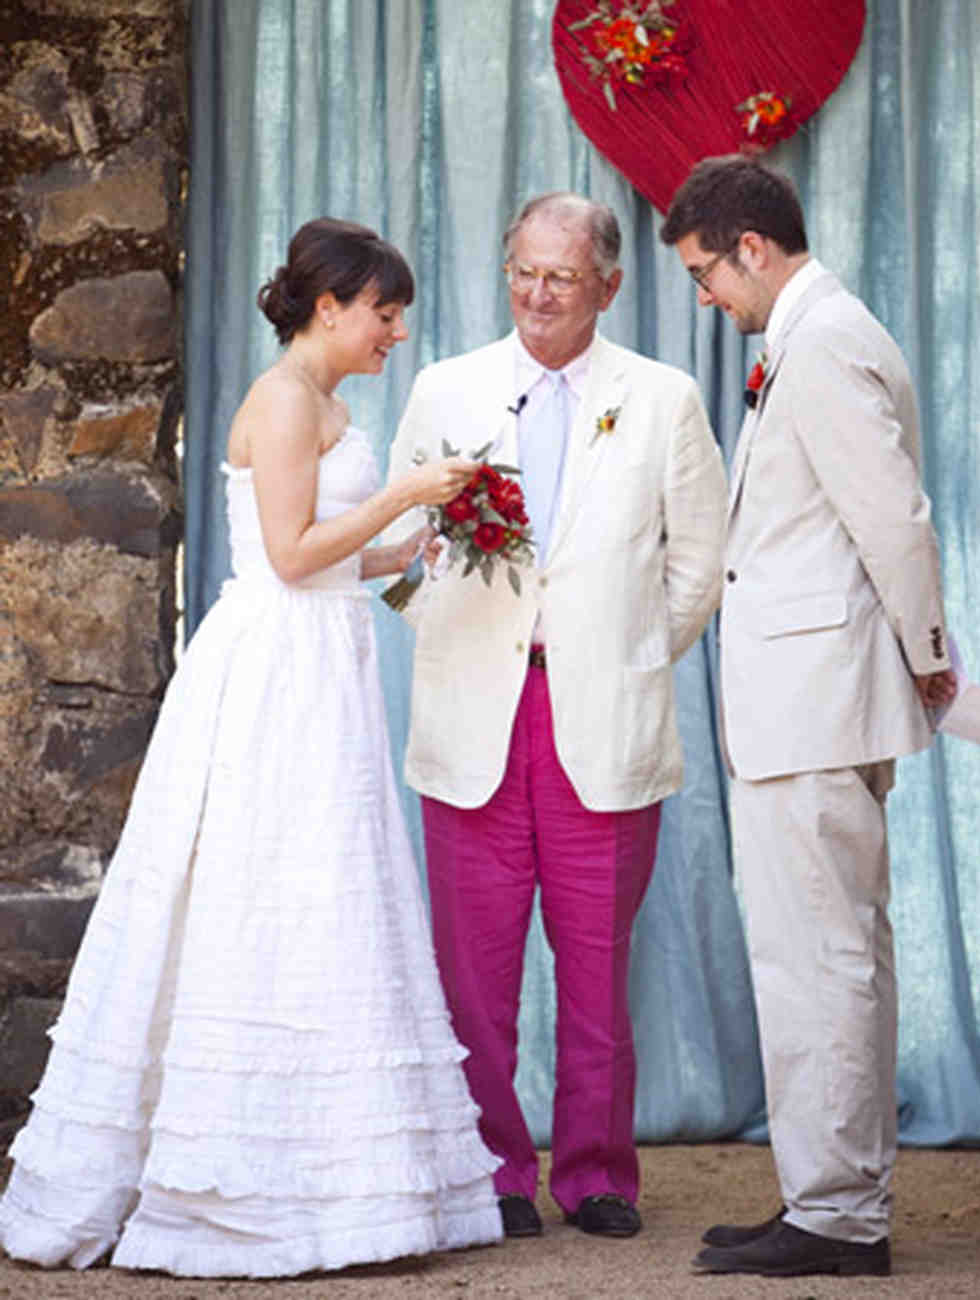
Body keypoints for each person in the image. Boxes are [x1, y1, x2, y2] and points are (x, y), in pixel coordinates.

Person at [0, 218, 504, 1278]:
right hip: (277, 669)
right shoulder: (282, 401)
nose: (394, 332)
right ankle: (232, 1186)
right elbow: (286, 555)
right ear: (330, 307)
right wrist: (400, 495)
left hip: (324, 660)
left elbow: (329, 555)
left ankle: (331, 1180)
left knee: (326, 889)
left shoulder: (328, 402)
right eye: (383, 313)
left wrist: (409, 546)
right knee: (262, 884)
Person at [385, 192, 727, 1240]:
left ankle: (595, 1174)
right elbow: (399, 550)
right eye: (523, 272)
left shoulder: (663, 398)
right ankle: (490, 1172)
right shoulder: (446, 388)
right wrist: (463, 633)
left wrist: (625, 653)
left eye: (561, 278)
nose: (537, 295)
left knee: (595, 971)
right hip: (471, 718)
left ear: (607, 288)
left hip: (603, 720)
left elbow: (699, 564)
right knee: (472, 975)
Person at [659, 156, 958, 1278]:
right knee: (830, 955)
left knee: (818, 960)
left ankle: (835, 1214)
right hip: (813, 703)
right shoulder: (817, 334)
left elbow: (893, 522)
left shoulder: (824, 341)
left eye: (704, 273)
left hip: (816, 707)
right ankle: (830, 1192)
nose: (705, 298)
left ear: (750, 247)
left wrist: (928, 658)